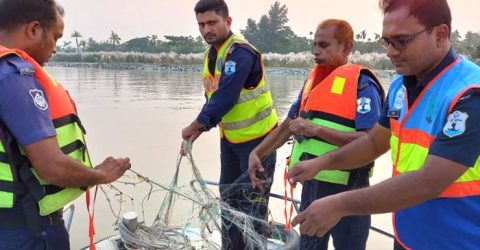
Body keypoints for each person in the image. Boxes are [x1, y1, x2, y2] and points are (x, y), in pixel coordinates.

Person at [288, 0, 480, 249]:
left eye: (401, 41)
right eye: (386, 41)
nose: (390, 52)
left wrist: (339, 204)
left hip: (458, 241)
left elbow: (429, 181)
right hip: (407, 236)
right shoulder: (401, 87)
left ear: (440, 34)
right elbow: (373, 142)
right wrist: (321, 163)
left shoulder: (469, 94)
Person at [0, 0, 131, 249]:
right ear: (34, 30)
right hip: (27, 230)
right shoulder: (15, 77)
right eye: (56, 38)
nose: (55, 49)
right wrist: (101, 174)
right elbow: (52, 167)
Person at [248, 19, 384, 250]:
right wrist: (257, 153)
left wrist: (316, 130)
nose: (315, 52)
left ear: (346, 48)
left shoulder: (363, 84)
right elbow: (287, 126)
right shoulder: (312, 82)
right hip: (312, 185)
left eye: (323, 45)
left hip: (350, 188)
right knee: (309, 246)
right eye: (314, 45)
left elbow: (370, 141)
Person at [181, 0, 278, 249]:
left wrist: (194, 126)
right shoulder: (211, 55)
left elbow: (226, 96)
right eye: (201, 25)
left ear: (228, 21)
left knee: (252, 208)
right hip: (231, 141)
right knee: (228, 202)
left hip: (259, 143)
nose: (206, 30)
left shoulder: (241, 53)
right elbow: (212, 101)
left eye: (212, 22)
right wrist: (198, 132)